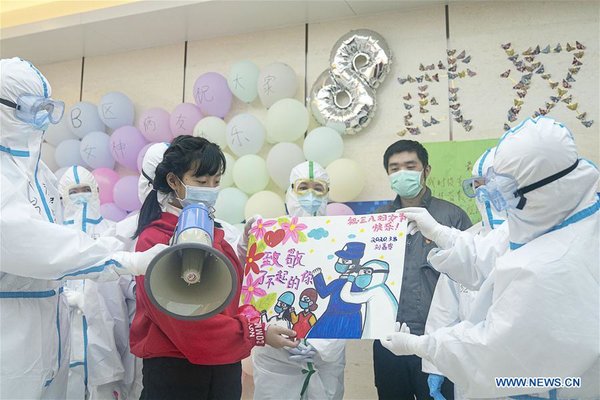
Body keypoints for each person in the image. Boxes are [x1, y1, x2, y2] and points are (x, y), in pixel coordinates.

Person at [382, 117, 599, 399]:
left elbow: (494, 352)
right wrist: (439, 232)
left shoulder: (554, 263)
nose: (494, 199)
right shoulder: (555, 217)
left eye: (503, 189)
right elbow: (488, 255)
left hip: (542, 387)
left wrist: (423, 347)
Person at [0, 57, 165, 399]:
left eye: (49, 109)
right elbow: (30, 244)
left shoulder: (39, 173)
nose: (43, 121)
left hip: (51, 327)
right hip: (10, 330)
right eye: (33, 109)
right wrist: (125, 260)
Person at [129, 135, 297, 400]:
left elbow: (231, 294)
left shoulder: (214, 233)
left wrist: (247, 249)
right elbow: (185, 319)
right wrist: (255, 332)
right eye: (201, 181)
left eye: (216, 182)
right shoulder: (155, 240)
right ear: (174, 181)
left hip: (222, 369)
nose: (210, 188)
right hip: (177, 372)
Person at [373, 139, 472, 400]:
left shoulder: (452, 217)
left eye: (410, 165)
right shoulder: (377, 221)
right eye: (394, 168)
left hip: (438, 340)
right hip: (388, 337)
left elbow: (471, 276)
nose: (401, 173)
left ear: (426, 170)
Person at [416, 148, 509, 400]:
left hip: (521, 366)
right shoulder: (467, 240)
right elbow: (445, 309)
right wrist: (434, 365)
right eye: (476, 186)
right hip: (471, 369)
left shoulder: (534, 237)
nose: (482, 193)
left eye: (489, 184)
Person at [251, 161, 346, 400]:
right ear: (290, 191)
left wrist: (320, 346)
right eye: (303, 187)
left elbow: (346, 302)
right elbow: (255, 300)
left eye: (319, 188)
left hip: (326, 363)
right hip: (275, 364)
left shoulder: (343, 241)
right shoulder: (270, 241)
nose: (311, 195)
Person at [58, 165, 129, 399]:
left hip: (106, 337)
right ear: (62, 195)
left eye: (85, 189)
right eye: (73, 191)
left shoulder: (112, 232)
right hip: (66, 338)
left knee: (105, 389)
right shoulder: (55, 236)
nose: (80, 196)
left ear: (97, 191)